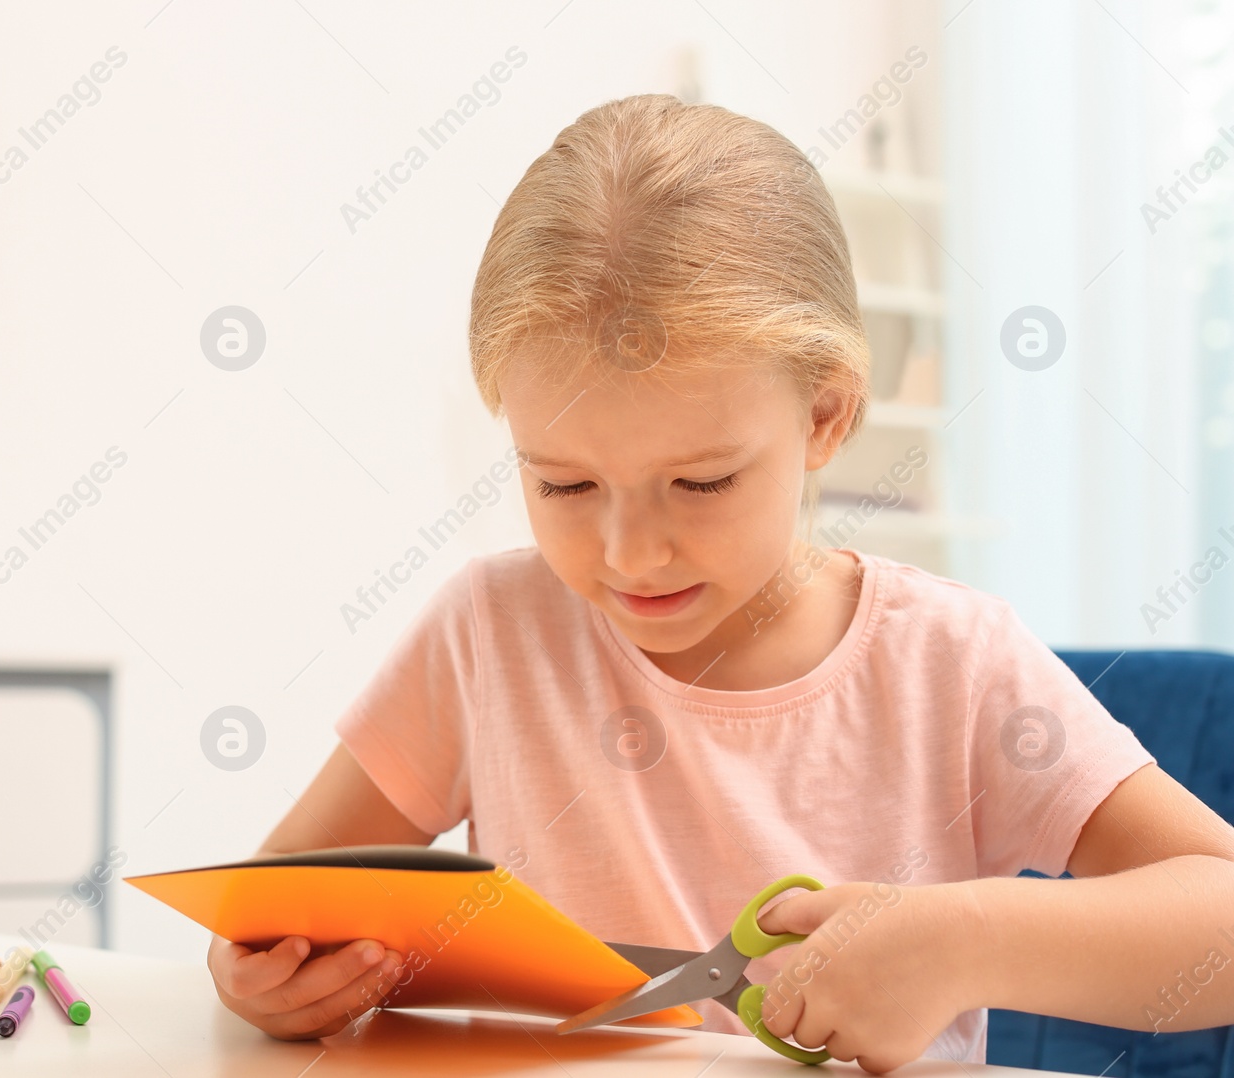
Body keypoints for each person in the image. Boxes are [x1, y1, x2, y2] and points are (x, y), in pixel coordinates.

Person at [206, 94, 1234, 1072]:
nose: (629, 553)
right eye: (562, 482)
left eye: (698, 482)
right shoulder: (490, 630)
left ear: (825, 417)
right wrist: (258, 974)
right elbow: (277, 906)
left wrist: (963, 939)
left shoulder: (948, 660)